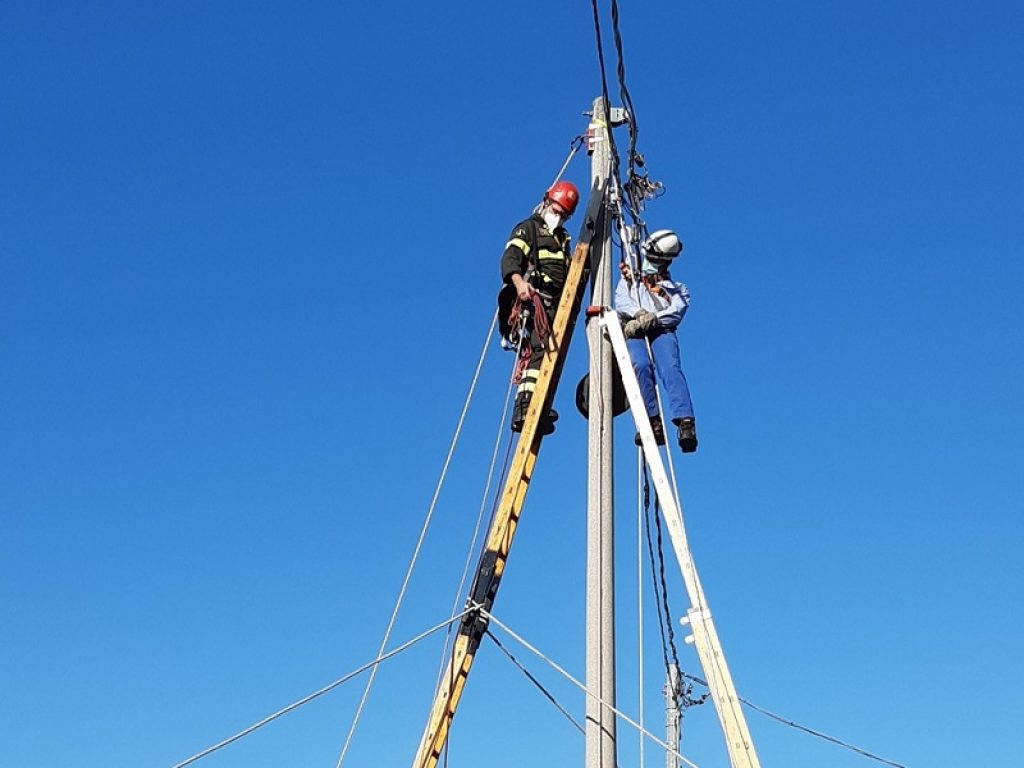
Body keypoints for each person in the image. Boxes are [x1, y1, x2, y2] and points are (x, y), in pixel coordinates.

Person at [498, 180, 580, 434]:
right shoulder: (529, 228)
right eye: (556, 211)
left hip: (556, 306)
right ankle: (525, 408)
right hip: (533, 301)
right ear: (546, 203)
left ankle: (540, 406)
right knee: (538, 350)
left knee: (548, 356)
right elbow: (511, 258)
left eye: (563, 215)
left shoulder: (563, 239)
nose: (559, 218)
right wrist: (520, 284)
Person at [614, 229, 698, 453]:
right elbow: (621, 299)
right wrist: (639, 313)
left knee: (670, 368)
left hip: (661, 331)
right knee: (640, 365)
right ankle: (652, 421)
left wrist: (652, 319)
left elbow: (676, 311)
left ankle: (685, 422)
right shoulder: (631, 278)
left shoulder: (678, 290)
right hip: (634, 330)